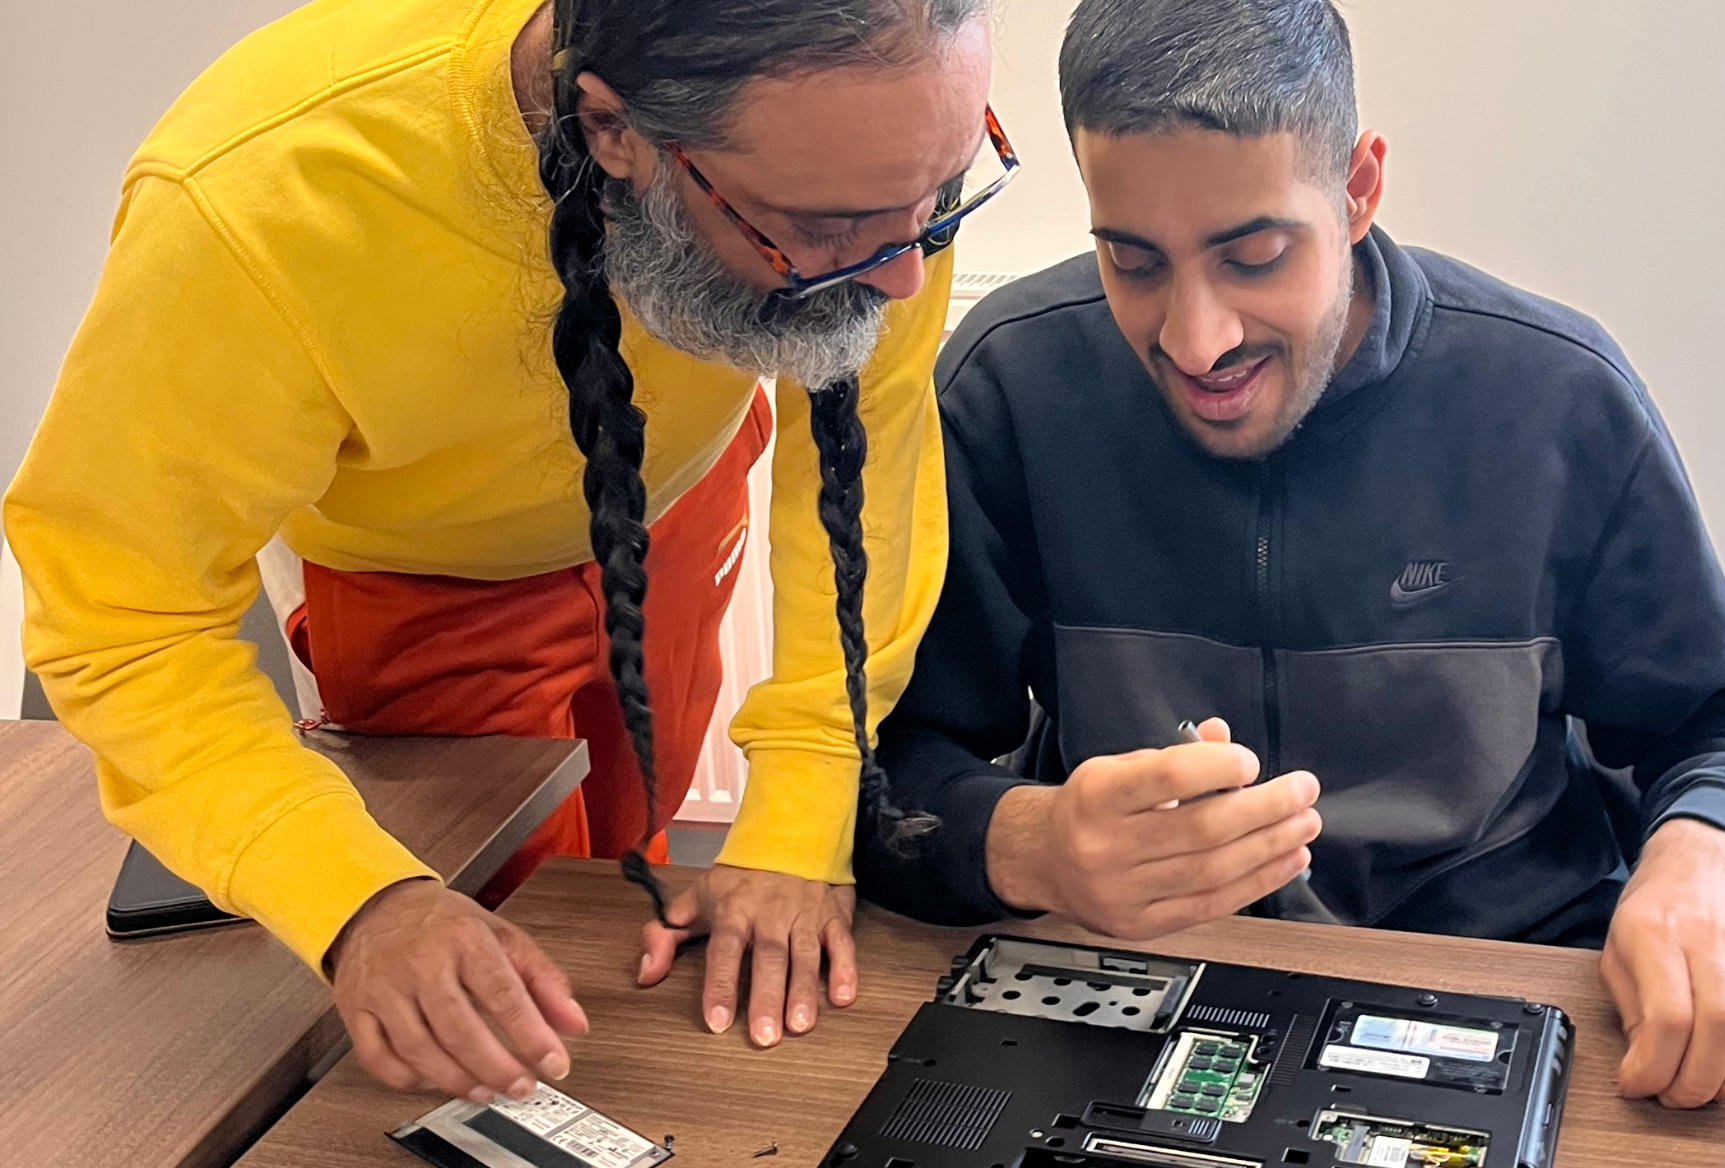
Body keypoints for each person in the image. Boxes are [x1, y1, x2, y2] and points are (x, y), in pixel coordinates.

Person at [6, 0, 1003, 1105]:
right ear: (612, 131)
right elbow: (123, 622)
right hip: (415, 586)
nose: (907, 277)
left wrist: (807, 795)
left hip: (677, 515)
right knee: (498, 985)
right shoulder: (253, 205)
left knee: (632, 874)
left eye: (938, 197)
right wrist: (355, 901)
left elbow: (872, 431)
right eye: (823, 229)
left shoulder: (879, 156)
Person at [862, 0, 1725, 1110]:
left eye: (1256, 255)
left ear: (1358, 190)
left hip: (1506, 992)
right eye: (1132, 263)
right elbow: (889, 759)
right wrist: (1024, 845)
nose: (1197, 340)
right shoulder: (1009, 385)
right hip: (1145, 1006)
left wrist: (1705, 860)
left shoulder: (1551, 395)